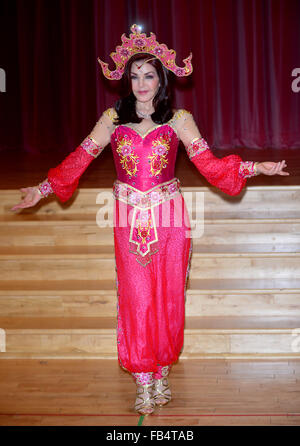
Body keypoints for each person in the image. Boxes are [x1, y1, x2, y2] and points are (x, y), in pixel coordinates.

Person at [10, 24, 289, 415]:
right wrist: (41, 190)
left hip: (170, 218)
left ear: (161, 79)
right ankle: (143, 380)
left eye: (149, 75)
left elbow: (209, 165)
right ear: (127, 80)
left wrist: (257, 167)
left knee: (167, 296)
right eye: (135, 75)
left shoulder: (179, 119)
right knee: (138, 296)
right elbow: (80, 158)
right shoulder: (113, 118)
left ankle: (161, 371)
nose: (141, 83)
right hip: (128, 219)